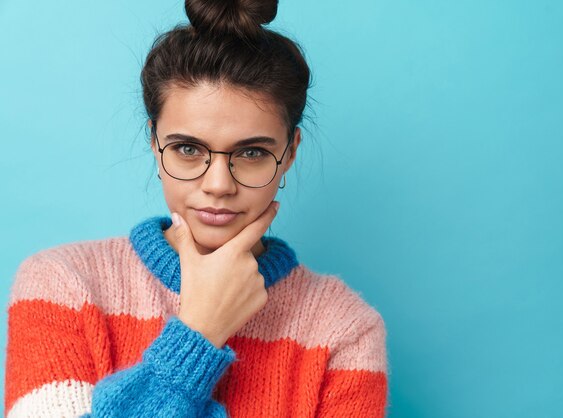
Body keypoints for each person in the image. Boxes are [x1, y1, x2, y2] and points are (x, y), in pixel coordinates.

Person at [4, 0, 389, 416]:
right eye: (188, 149)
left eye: (253, 152)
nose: (218, 185)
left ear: (290, 152)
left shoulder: (345, 328)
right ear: (155, 142)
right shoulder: (63, 285)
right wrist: (198, 335)